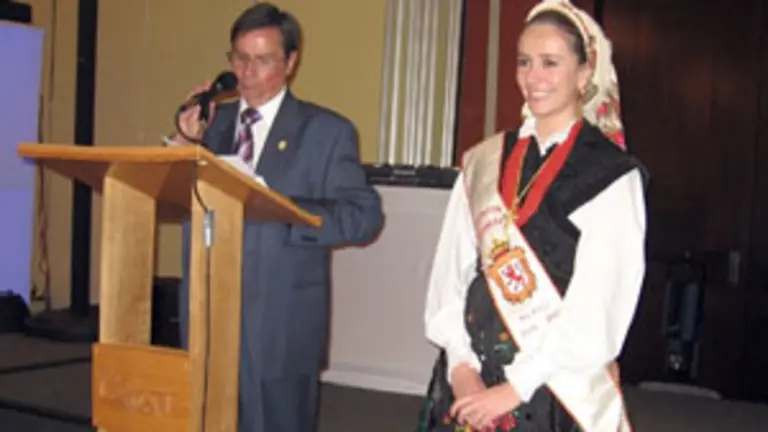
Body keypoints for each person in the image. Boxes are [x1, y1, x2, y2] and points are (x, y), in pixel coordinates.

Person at [419, 0, 647, 431]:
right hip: (469, 379)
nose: (533, 78)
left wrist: (513, 388)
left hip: (552, 393)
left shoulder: (612, 176)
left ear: (584, 74)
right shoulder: (483, 161)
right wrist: (461, 367)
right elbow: (450, 274)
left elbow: (600, 306)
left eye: (550, 63)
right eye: (524, 62)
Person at [171, 3, 383, 431]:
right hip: (207, 315)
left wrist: (280, 209)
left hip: (279, 326)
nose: (248, 72)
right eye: (239, 58)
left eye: (263, 60)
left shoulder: (326, 131)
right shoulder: (208, 126)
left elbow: (363, 217)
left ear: (290, 62)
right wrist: (182, 142)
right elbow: (173, 198)